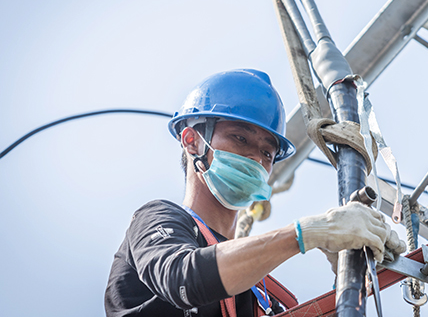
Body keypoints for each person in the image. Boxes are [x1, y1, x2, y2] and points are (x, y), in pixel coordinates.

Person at [105, 69, 405, 317]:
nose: (256, 160)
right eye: (240, 138)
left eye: (267, 152)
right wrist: (312, 232)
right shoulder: (158, 219)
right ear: (192, 141)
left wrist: (351, 277)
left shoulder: (261, 292)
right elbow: (184, 279)